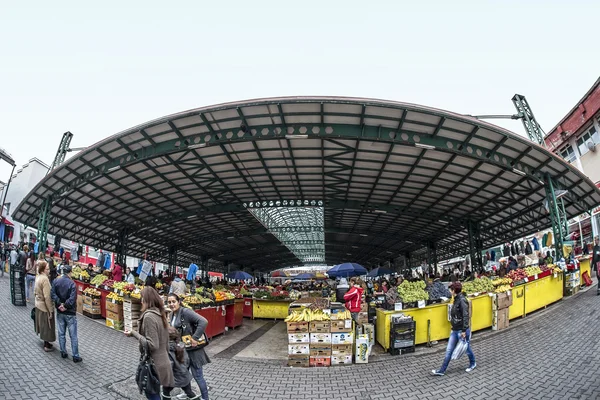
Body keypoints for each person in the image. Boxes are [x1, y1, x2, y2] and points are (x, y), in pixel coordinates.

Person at [125, 287, 174, 400]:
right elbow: (166, 340)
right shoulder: (160, 314)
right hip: (163, 361)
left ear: (148, 300)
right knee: (155, 393)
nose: (141, 301)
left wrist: (133, 333)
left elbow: (153, 345)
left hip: (154, 364)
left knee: (152, 394)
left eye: (142, 298)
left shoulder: (149, 317)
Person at [167, 293, 210, 400]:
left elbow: (203, 321)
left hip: (193, 351)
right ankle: (188, 393)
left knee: (198, 376)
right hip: (182, 351)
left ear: (179, 302)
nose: (171, 304)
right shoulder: (172, 314)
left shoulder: (185, 312)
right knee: (183, 374)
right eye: (169, 302)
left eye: (173, 301)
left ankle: (205, 398)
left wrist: (195, 338)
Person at [431, 282, 476, 376]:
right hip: (455, 329)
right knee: (449, 350)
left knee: (467, 349)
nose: (449, 291)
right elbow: (456, 315)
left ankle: (473, 363)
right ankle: (442, 370)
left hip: (462, 330)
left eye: (450, 289)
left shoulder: (462, 300)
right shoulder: (455, 299)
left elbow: (465, 315)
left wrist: (464, 330)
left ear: (454, 291)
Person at [51, 264, 82, 362]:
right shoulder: (72, 284)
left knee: (61, 333)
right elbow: (72, 299)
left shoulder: (56, 281)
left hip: (60, 311)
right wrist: (66, 306)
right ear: (70, 272)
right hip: (70, 313)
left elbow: (52, 294)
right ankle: (75, 356)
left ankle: (63, 352)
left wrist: (60, 304)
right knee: (73, 335)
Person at [164, 327, 200, 400]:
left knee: (165, 392)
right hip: (184, 375)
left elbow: (169, 366)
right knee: (189, 392)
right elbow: (187, 361)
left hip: (174, 377)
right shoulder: (181, 345)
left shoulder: (168, 350)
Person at [34, 261, 56, 352]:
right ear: (43, 270)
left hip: (38, 304)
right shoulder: (45, 280)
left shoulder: (38, 277)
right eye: (47, 269)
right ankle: (46, 345)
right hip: (44, 306)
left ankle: (46, 342)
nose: (49, 270)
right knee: (47, 326)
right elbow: (47, 296)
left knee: (42, 325)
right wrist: (50, 310)